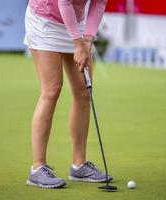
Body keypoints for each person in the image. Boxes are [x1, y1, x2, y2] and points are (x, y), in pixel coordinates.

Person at [24, 0, 112, 189]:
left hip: (75, 23)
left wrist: (87, 39)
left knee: (83, 91)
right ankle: (37, 168)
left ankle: (79, 165)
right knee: (52, 89)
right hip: (44, 21)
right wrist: (78, 44)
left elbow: (99, 2)